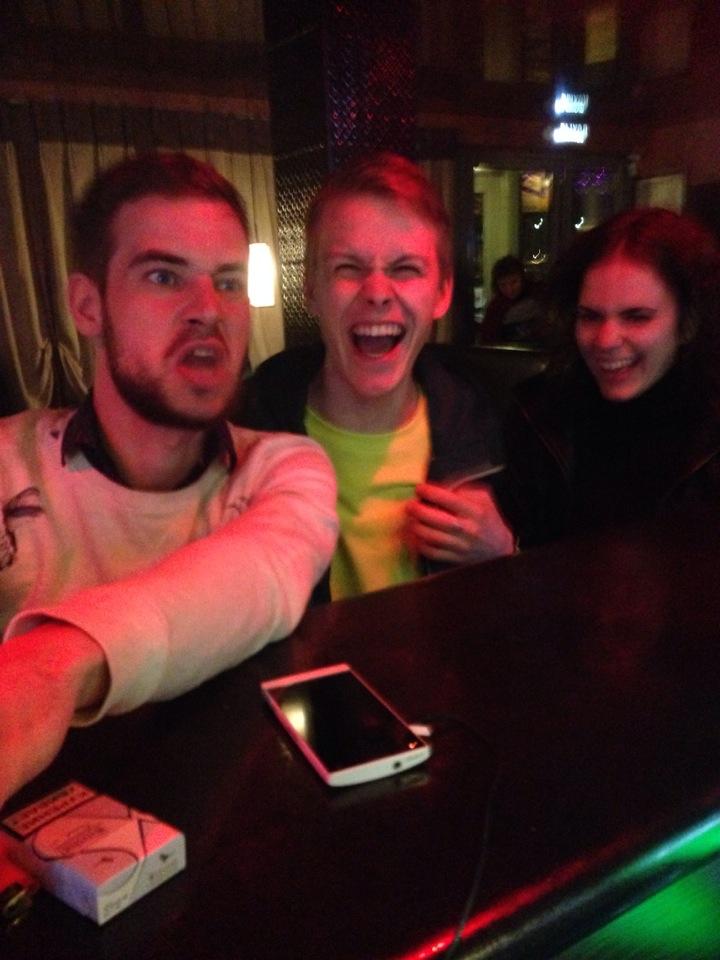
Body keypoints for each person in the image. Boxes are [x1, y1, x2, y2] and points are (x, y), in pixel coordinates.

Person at [0, 152, 338, 809]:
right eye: (163, 276)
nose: (208, 310)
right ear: (88, 306)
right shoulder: (9, 464)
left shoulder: (284, 467)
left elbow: (263, 574)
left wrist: (48, 668)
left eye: (229, 281)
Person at [239, 152, 514, 601]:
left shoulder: (491, 427)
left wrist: (504, 554)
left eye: (405, 269)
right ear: (310, 289)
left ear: (442, 292)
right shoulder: (244, 436)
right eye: (348, 268)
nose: (378, 294)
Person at [496, 206, 720, 548]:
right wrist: (507, 548)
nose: (605, 340)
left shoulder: (709, 435)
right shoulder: (539, 416)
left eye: (636, 317)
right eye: (590, 316)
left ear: (688, 323)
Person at [478, 254, 547, 345]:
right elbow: (488, 341)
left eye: (514, 282)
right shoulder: (495, 309)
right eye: (503, 285)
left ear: (522, 279)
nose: (509, 289)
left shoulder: (538, 297)